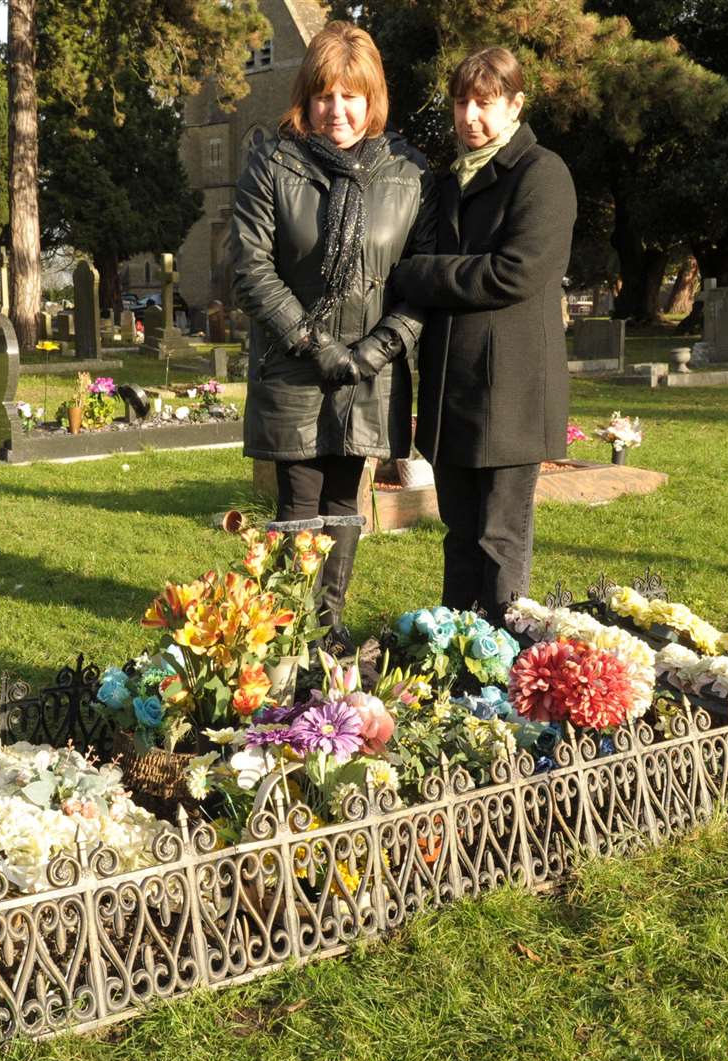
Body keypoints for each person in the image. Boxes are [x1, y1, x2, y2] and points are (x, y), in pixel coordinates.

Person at [231, 20, 434, 654]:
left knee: (348, 496)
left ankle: (331, 624)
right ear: (307, 98)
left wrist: (375, 350)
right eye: (324, 95)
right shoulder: (272, 163)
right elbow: (251, 269)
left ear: (372, 98)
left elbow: (421, 278)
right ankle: (290, 626)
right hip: (294, 362)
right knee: (300, 496)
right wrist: (317, 345)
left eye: (351, 95)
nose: (337, 110)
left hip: (373, 367)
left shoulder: (409, 174)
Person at [387, 46, 577, 620]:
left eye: (485, 103)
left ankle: (504, 660)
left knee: (500, 538)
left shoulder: (541, 173)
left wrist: (423, 274)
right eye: (461, 102)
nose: (470, 116)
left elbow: (513, 272)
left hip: (510, 391)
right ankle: (457, 651)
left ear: (516, 105)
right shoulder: (448, 182)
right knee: (459, 535)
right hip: (452, 388)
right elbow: (436, 257)